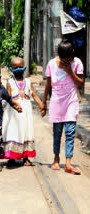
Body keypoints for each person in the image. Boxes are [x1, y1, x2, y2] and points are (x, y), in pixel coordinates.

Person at [42, 40, 83, 175]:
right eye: (63, 58)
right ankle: (56, 158)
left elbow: (81, 83)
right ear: (58, 55)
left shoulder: (77, 63)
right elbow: (48, 85)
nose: (65, 61)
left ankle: (68, 163)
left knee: (70, 132)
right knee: (57, 133)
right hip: (56, 103)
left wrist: (70, 72)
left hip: (71, 102)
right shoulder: (52, 64)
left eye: (68, 58)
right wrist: (44, 103)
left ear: (72, 55)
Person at [2, 57, 44, 167]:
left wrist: (41, 105)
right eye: (15, 68)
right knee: (13, 132)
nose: (18, 69)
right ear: (12, 69)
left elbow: (34, 94)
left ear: (24, 67)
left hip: (26, 112)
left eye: (20, 67)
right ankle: (12, 157)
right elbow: (8, 97)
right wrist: (14, 105)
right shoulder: (10, 82)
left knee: (26, 132)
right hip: (13, 112)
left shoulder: (28, 82)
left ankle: (26, 157)